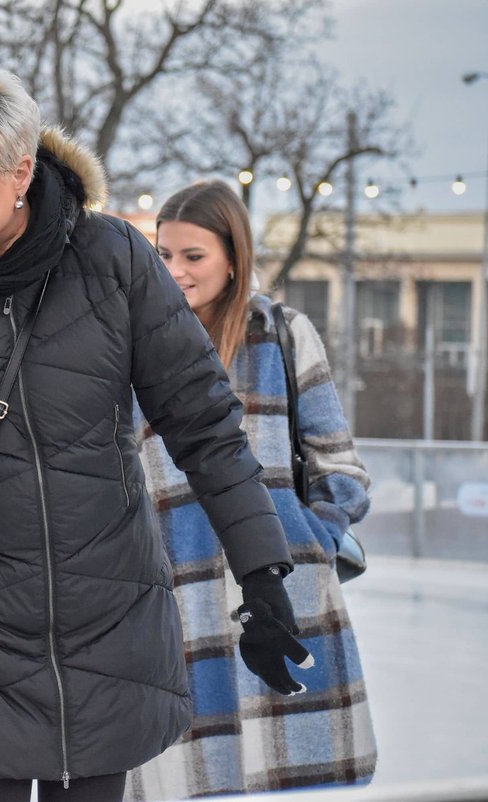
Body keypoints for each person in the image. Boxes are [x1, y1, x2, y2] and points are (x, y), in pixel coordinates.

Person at [0, 69, 310, 802]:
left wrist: (264, 575)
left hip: (107, 614)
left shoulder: (113, 260)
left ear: (20, 172)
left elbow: (204, 424)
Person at [126, 180, 375, 798]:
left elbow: (339, 465)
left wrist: (306, 534)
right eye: (163, 255)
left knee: (285, 773)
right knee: (183, 771)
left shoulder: (282, 335)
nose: (175, 271)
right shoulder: (133, 344)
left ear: (232, 258)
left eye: (193, 256)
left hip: (279, 589)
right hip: (172, 587)